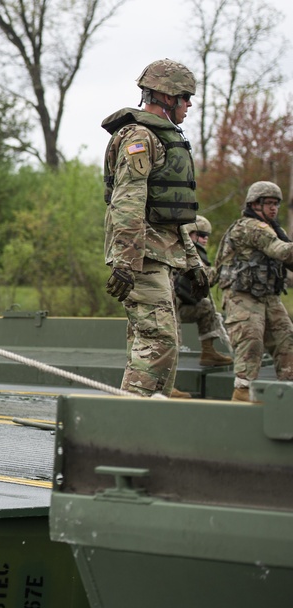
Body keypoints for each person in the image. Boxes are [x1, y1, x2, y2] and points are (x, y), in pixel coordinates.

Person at [101, 58, 207, 397]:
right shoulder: (141, 138)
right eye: (185, 97)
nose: (189, 105)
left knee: (160, 342)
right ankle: (130, 422)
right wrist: (126, 263)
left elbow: (173, 217)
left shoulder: (164, 138)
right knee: (158, 341)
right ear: (167, 96)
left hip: (161, 255)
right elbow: (128, 203)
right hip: (141, 256)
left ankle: (151, 418)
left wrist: (193, 260)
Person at [215, 181, 293, 402]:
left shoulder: (275, 230)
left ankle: (288, 388)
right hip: (242, 295)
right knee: (252, 337)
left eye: (276, 203)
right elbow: (280, 251)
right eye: (268, 203)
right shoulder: (249, 227)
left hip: (267, 296)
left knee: (285, 338)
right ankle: (242, 391)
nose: (273, 208)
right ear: (254, 204)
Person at [174, 215, 232, 367]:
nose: (205, 239)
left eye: (207, 236)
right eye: (200, 235)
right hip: (168, 306)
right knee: (170, 341)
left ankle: (208, 352)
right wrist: (224, 266)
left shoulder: (197, 253)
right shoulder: (182, 251)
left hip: (182, 304)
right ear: (188, 234)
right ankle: (166, 383)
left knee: (205, 306)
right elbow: (205, 278)